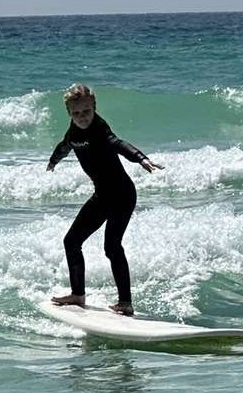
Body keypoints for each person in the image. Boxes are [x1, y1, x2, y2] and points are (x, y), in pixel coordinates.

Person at [47, 84, 163, 316]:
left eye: (87, 111)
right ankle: (78, 294)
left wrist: (141, 158)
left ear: (94, 108)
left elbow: (118, 144)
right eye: (76, 113)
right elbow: (65, 146)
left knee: (111, 247)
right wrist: (53, 161)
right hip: (102, 196)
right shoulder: (73, 131)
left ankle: (125, 302)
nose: (82, 117)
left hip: (122, 195)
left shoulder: (100, 129)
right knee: (71, 241)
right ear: (69, 113)